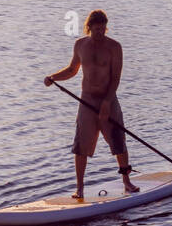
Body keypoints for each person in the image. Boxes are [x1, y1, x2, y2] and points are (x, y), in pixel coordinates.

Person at [43, 10, 140, 199]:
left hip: (108, 98)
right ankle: (79, 188)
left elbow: (115, 78)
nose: (100, 33)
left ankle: (126, 182)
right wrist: (53, 77)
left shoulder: (114, 47)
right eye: (97, 29)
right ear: (88, 28)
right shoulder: (80, 45)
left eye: (103, 29)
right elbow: (72, 69)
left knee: (118, 140)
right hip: (87, 100)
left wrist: (106, 103)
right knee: (81, 145)